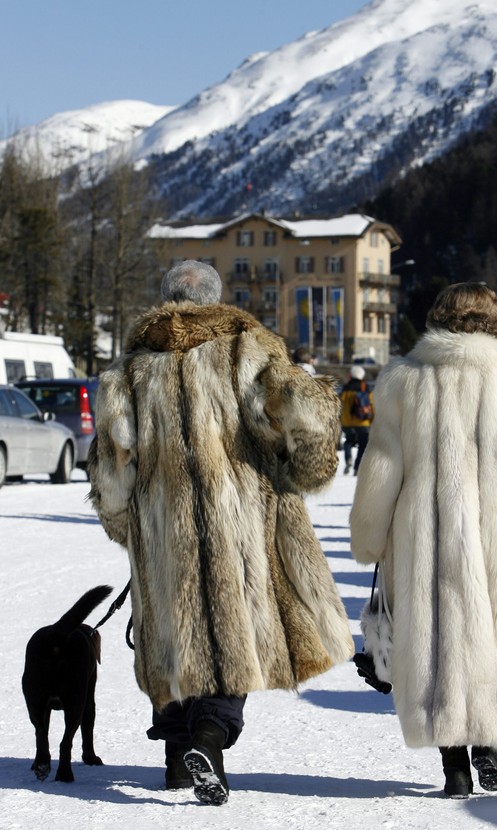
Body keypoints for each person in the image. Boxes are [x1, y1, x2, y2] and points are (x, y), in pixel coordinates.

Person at [87, 260, 354, 805]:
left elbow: (112, 467)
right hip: (239, 526)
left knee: (171, 638)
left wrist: (122, 525)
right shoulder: (249, 353)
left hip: (163, 532)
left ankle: (177, 758)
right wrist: (304, 467)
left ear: (165, 301)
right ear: (216, 299)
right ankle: (209, 739)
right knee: (232, 635)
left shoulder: (130, 373)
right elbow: (306, 408)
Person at [350, 282, 497, 799]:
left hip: (425, 533)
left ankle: (455, 766)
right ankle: (488, 746)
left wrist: (370, 536)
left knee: (436, 640)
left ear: (440, 318)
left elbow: (381, 468)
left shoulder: (404, 379)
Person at [340, 365, 374, 475]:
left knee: (348, 441)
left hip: (347, 422)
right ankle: (357, 467)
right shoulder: (366, 388)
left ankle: (348, 459)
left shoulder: (345, 388)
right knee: (363, 444)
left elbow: (339, 405)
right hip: (362, 422)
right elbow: (372, 404)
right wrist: (373, 420)